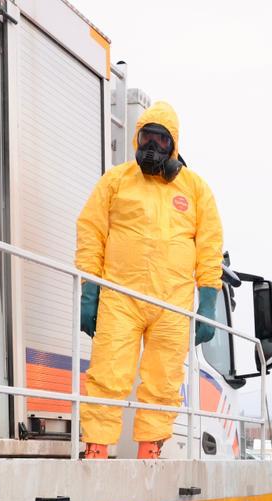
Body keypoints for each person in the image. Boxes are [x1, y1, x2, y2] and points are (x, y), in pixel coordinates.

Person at [76, 101, 223, 459]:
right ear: (136, 139)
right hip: (119, 297)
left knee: (163, 379)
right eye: (146, 137)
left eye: (161, 139)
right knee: (107, 373)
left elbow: (210, 246)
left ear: (174, 145)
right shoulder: (116, 181)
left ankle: (150, 448)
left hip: (171, 304)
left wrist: (207, 300)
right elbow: (91, 232)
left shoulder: (195, 189)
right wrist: (89, 288)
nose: (152, 146)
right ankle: (96, 446)